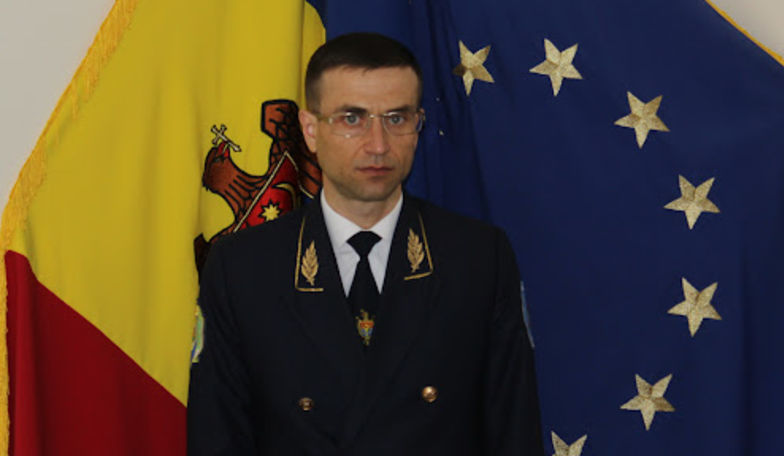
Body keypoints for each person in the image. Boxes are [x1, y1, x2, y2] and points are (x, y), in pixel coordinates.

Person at [187, 32, 544, 455]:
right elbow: (217, 438)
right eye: (351, 119)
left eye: (396, 118)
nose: (378, 145)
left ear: (418, 125)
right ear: (310, 130)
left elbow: (514, 435)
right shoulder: (243, 268)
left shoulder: (478, 259)